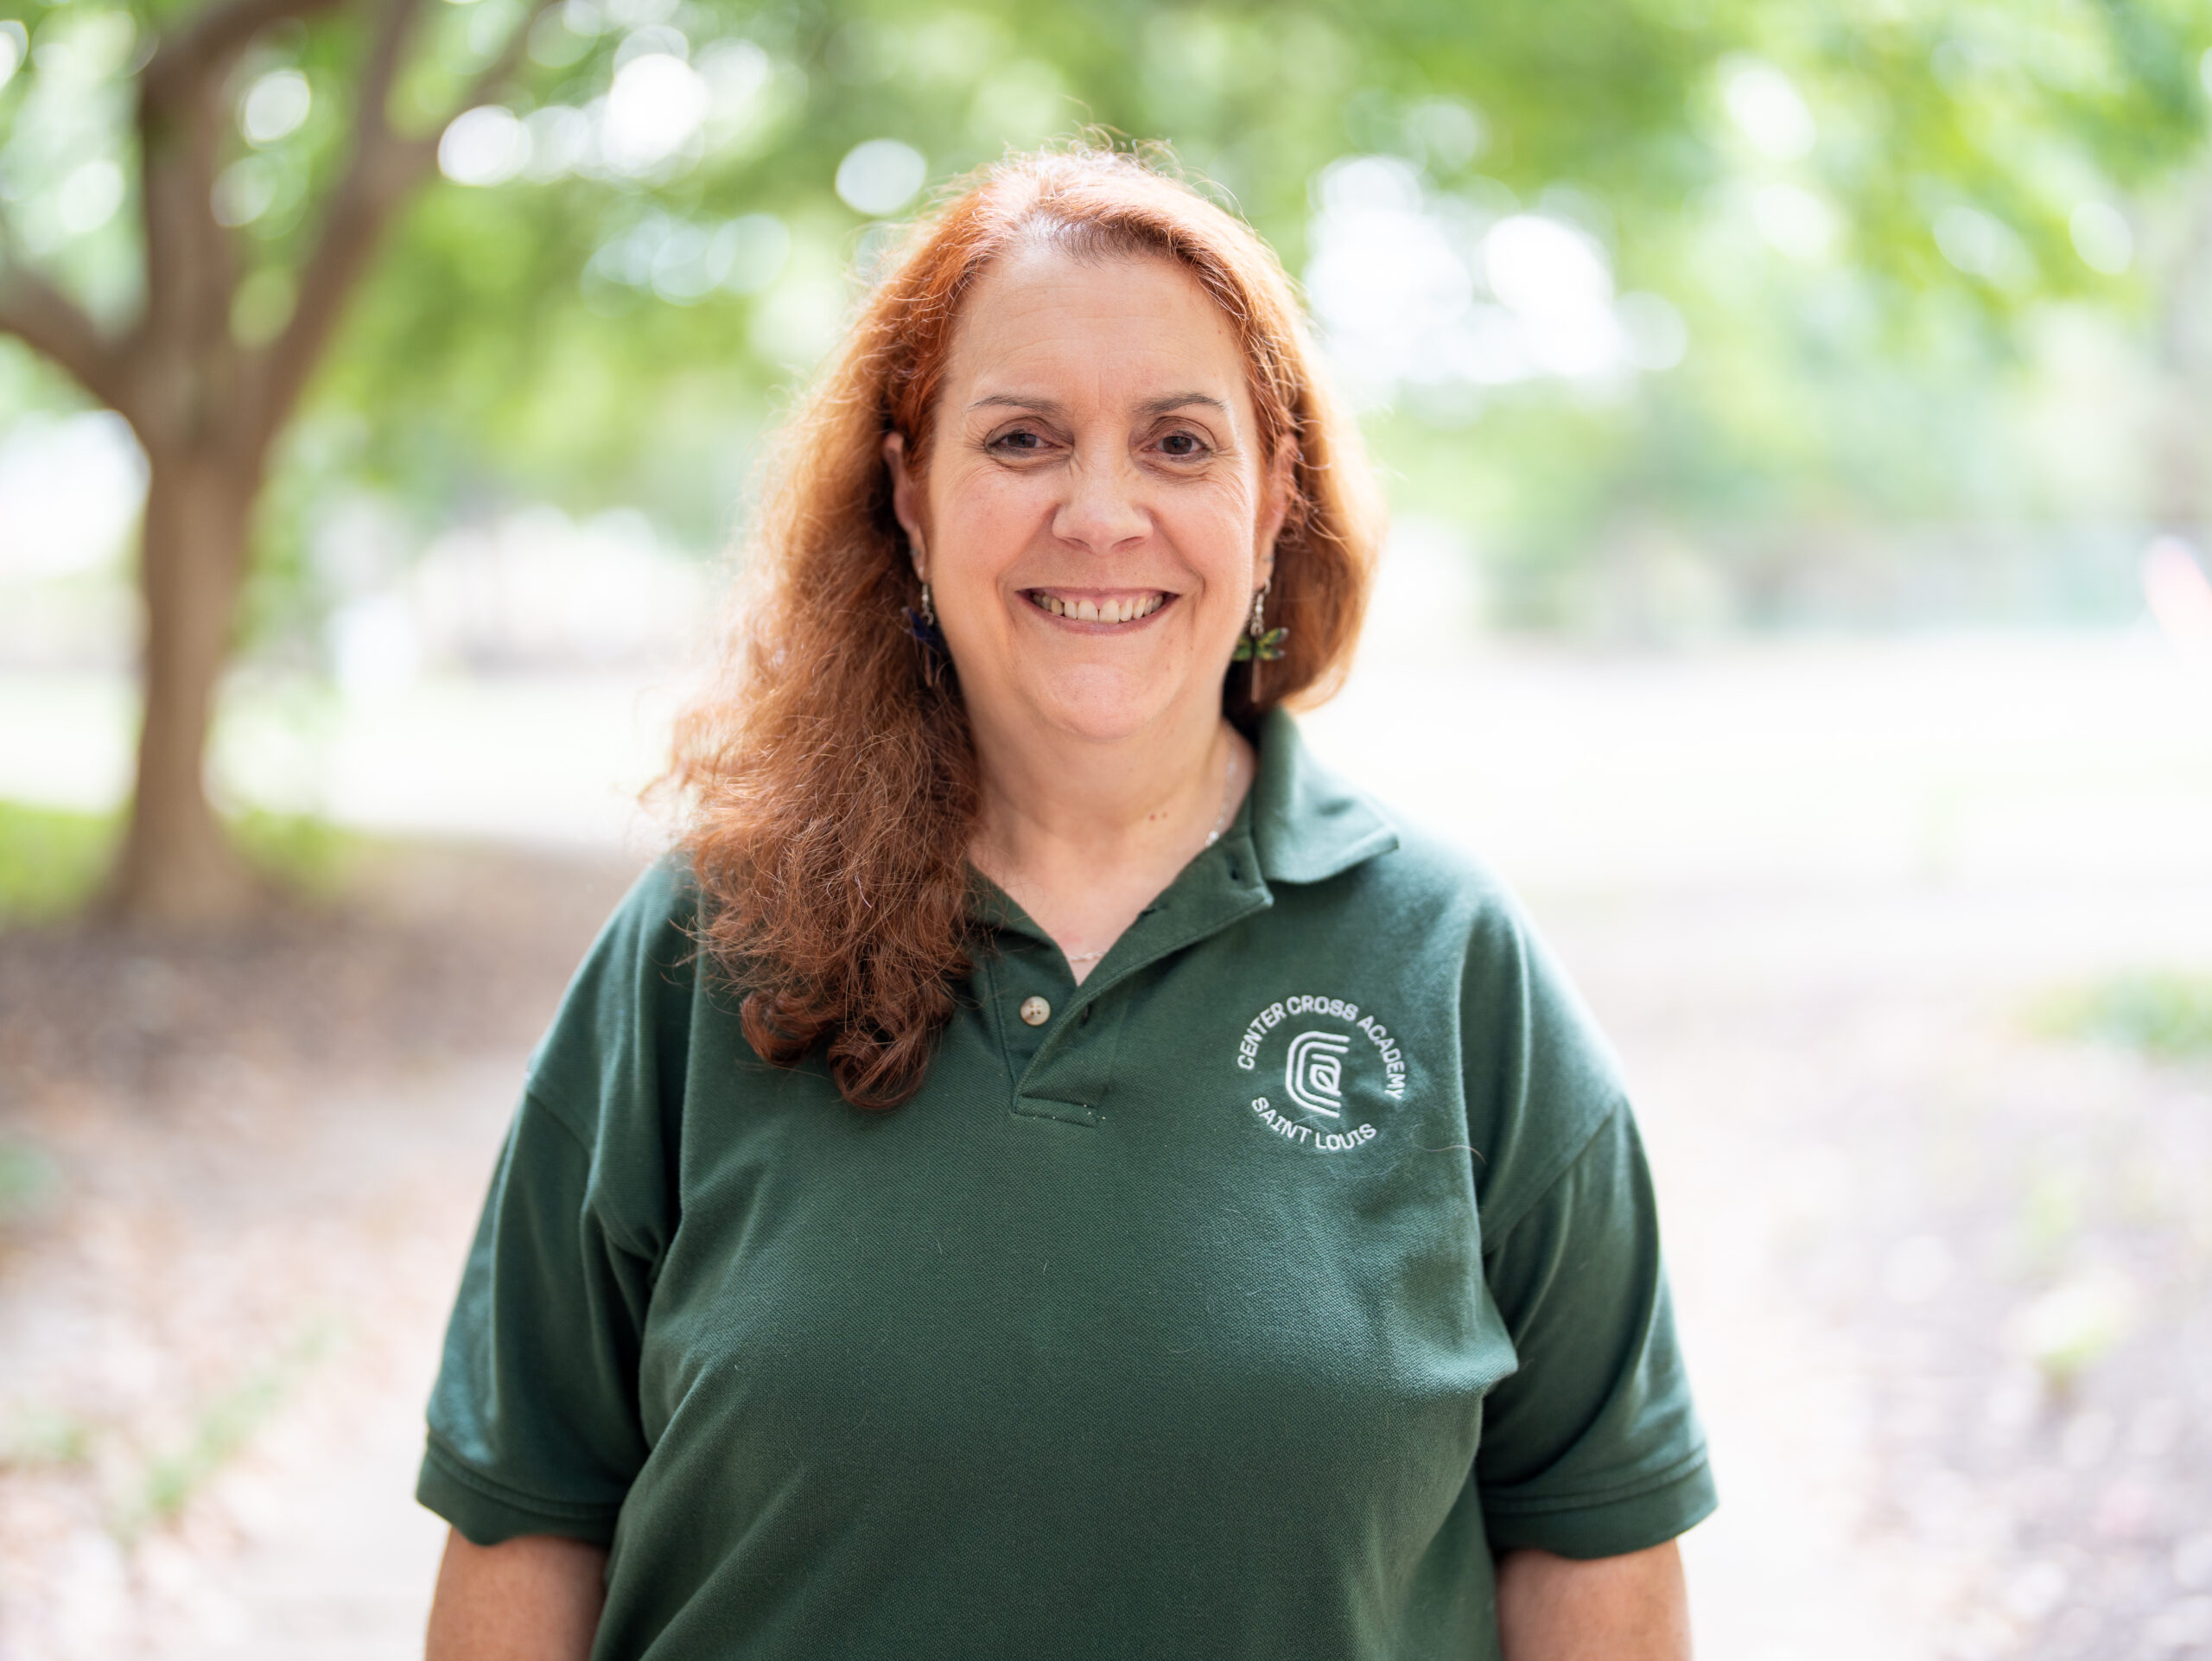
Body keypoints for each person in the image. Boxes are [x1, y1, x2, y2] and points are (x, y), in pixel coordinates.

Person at [417, 146, 1714, 1661]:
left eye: (1178, 443)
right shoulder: (705, 944)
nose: (1101, 514)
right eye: (1024, 437)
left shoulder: (1454, 965)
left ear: (1272, 494)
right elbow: (525, 1523)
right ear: (909, 490)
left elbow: (1597, 1550)